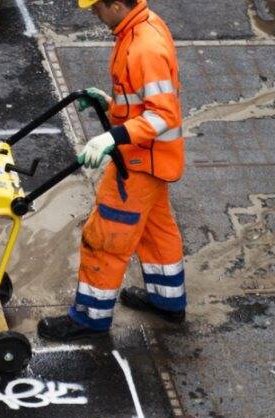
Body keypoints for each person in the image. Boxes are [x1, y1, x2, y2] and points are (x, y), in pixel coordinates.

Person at [39, 0, 187, 341]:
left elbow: (163, 116)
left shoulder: (143, 47)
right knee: (155, 232)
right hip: (155, 158)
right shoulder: (141, 26)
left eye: (97, 9)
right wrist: (111, 104)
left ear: (117, 5)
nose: (94, 14)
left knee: (103, 237)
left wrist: (112, 136)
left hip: (138, 161)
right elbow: (142, 100)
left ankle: (90, 316)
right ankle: (168, 302)